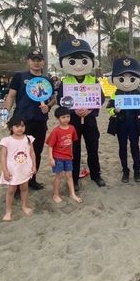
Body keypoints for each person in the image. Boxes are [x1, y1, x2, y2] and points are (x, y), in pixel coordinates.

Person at [55, 38, 106, 189]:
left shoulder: (93, 79)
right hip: (73, 122)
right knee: (74, 151)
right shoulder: (66, 81)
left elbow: (100, 98)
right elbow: (61, 101)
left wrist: (89, 110)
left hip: (90, 120)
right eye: (73, 61)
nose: (78, 65)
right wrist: (73, 110)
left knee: (93, 149)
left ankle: (96, 175)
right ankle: (75, 178)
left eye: (83, 61)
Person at [4, 50, 55, 191]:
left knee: (36, 152)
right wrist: (4, 114)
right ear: (28, 61)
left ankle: (32, 180)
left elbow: (53, 99)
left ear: (43, 62)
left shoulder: (47, 80)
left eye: (39, 59)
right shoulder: (20, 77)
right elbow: (11, 96)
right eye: (33, 59)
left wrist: (49, 107)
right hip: (21, 121)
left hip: (40, 120)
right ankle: (16, 183)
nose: (36, 62)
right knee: (18, 152)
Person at [107, 57, 140, 183]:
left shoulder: (138, 93)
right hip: (121, 123)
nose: (127, 83)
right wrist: (115, 111)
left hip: (134, 123)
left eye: (132, 79)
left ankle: (137, 171)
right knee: (122, 148)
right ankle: (125, 171)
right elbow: (109, 108)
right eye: (122, 79)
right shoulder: (115, 94)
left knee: (135, 147)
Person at [0, 116, 36, 221]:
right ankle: (8, 210)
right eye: (17, 126)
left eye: (22, 126)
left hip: (25, 168)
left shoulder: (28, 138)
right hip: (13, 170)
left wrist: (34, 165)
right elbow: (3, 156)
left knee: (24, 188)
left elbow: (32, 152)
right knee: (11, 190)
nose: (20, 128)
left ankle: (24, 206)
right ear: (11, 128)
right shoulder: (6, 141)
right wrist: (5, 171)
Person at [46, 106, 82, 204]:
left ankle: (72, 194)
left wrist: (71, 154)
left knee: (69, 176)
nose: (66, 119)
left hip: (68, 157)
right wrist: (51, 158)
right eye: (63, 117)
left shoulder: (72, 128)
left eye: (68, 116)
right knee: (58, 176)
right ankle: (56, 194)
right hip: (58, 157)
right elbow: (50, 145)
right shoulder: (56, 131)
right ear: (58, 118)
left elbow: (73, 141)